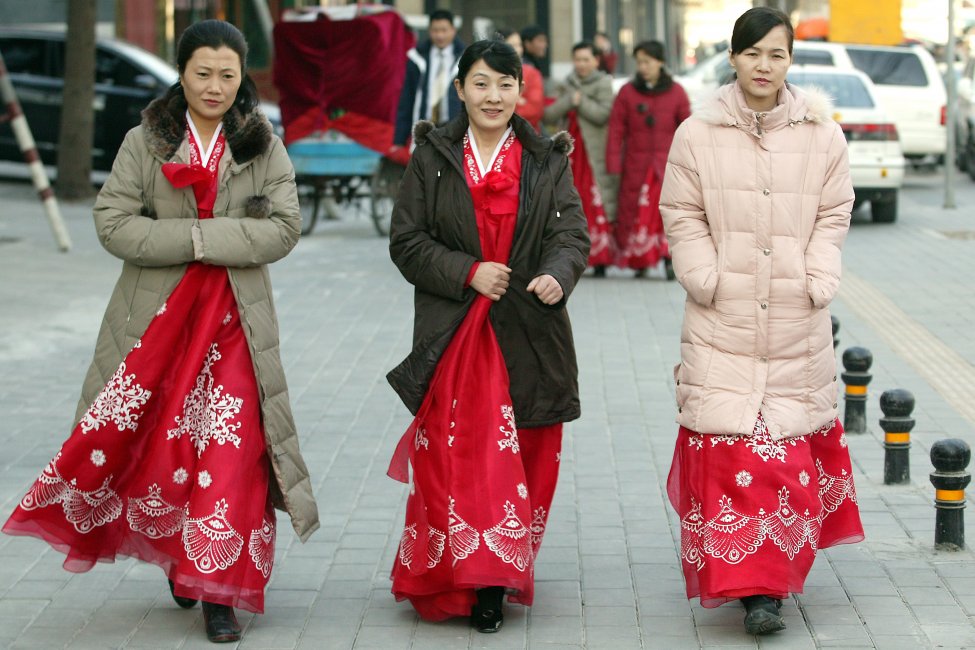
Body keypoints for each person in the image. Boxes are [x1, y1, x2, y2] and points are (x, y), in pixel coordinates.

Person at [2, 20, 318, 644]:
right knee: (162, 449)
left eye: (228, 75)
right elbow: (112, 222)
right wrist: (196, 239)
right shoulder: (143, 142)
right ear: (181, 72)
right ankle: (180, 555)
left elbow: (284, 228)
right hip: (157, 323)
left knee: (229, 452)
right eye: (203, 72)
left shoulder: (263, 144)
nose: (215, 86)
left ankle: (216, 588)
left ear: (242, 78)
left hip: (235, 323)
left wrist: (206, 237)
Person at [659, 7, 864, 635]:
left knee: (782, 458)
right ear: (734, 57)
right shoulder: (697, 133)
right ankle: (753, 589)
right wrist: (703, 274)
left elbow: (834, 212)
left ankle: (771, 582)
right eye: (753, 54)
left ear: (790, 60)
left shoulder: (823, 136)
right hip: (724, 317)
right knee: (732, 455)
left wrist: (818, 273)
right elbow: (682, 212)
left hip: (795, 319)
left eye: (776, 54)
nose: (764, 66)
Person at [385, 39, 589, 633]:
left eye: (505, 84)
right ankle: (470, 577)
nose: (493, 96)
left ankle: (498, 572)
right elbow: (407, 241)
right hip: (455, 329)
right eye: (480, 83)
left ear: (521, 91)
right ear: (460, 90)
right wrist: (467, 272)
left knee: (523, 453)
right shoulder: (432, 156)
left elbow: (571, 233)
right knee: (458, 455)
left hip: (526, 328)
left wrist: (558, 273)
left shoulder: (547, 158)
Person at [607, 40, 690, 278]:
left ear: (660, 62)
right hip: (636, 164)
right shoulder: (627, 92)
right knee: (634, 214)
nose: (643, 67)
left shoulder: (676, 92)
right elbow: (616, 129)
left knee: (665, 214)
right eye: (639, 62)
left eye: (648, 61)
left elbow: (688, 128)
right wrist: (613, 163)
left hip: (666, 167)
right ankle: (640, 260)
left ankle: (668, 259)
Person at [543, 41, 617, 274]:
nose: (582, 64)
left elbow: (603, 114)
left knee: (596, 203)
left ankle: (600, 259)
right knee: (570, 201)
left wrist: (580, 101)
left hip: (593, 154)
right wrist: (569, 100)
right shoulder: (565, 85)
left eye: (586, 59)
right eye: (578, 60)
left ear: (596, 60)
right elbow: (549, 114)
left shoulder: (604, 84)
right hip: (571, 153)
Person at [393, 9, 466, 147]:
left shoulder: (465, 58)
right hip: (425, 129)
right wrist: (399, 140)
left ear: (453, 30)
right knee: (424, 166)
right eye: (435, 30)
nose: (440, 35)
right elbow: (407, 98)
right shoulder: (416, 58)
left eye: (444, 30)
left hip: (454, 129)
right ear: (429, 31)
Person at [497, 28, 544, 131]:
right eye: (512, 45)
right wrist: (518, 101)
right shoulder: (491, 74)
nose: (518, 49)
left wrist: (506, 102)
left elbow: (535, 111)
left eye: (519, 45)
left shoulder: (532, 73)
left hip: (526, 135)